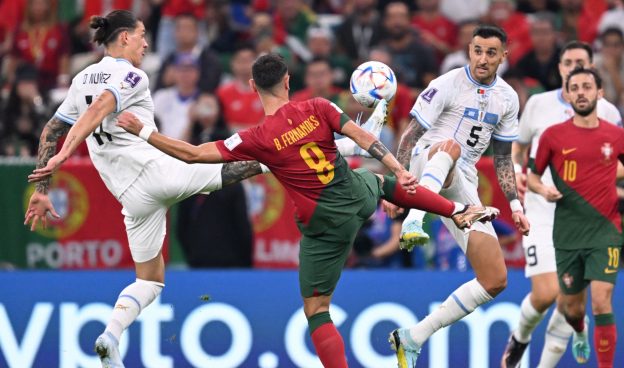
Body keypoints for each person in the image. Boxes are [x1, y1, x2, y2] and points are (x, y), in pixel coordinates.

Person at [21, 12, 382, 368]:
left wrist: (42, 187)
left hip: (129, 196)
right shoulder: (131, 75)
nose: (147, 42)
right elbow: (101, 107)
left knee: (149, 281)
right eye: (142, 34)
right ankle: (349, 147)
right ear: (124, 38)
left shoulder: (80, 79)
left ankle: (110, 336)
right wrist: (66, 154)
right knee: (248, 161)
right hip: (159, 174)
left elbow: (50, 130)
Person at [116, 53, 499, 368]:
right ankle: (456, 209)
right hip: (355, 195)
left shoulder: (256, 138)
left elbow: (193, 154)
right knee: (380, 183)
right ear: (287, 81)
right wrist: (397, 167)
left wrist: (142, 131)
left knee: (317, 309)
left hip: (323, 224)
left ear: (253, 87)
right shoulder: (318, 106)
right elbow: (363, 137)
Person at [389, 25, 530, 368]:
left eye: (491, 53)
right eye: (477, 50)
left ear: (503, 56)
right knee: (449, 147)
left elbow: (501, 157)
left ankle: (412, 337)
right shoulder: (447, 83)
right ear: (469, 50)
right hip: (426, 160)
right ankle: (414, 219)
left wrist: (515, 205)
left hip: (460, 177)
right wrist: (400, 182)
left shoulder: (508, 98)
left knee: (495, 278)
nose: (483, 59)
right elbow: (409, 137)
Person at [503, 40, 623, 368]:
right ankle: (520, 337)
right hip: (542, 213)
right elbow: (518, 146)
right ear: (560, 69)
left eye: (580, 62)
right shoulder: (539, 105)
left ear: (592, 67)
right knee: (544, 294)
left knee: (569, 304)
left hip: (585, 218)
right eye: (567, 62)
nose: (573, 67)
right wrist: (518, 172)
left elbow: (621, 158)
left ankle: (566, 344)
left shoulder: (609, 112)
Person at [528, 67, 624, 368]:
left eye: (587, 86)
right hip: (567, 233)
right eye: (575, 87)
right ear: (567, 95)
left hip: (605, 229)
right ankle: (580, 330)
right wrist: (542, 189)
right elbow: (532, 177)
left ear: (599, 93)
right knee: (572, 309)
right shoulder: (553, 136)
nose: (581, 92)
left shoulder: (616, 135)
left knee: (602, 301)